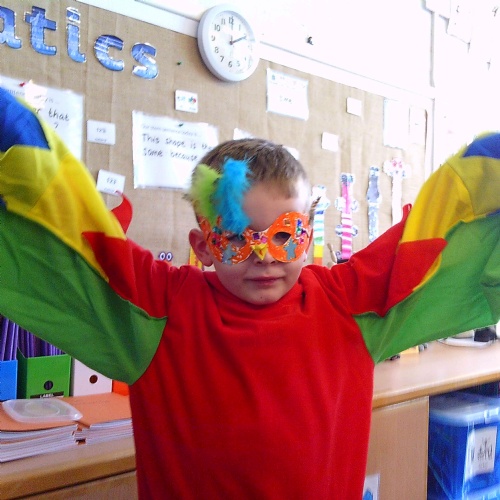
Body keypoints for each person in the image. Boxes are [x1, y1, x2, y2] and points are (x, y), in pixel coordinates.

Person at [0, 87, 499, 499]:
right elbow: (76, 231)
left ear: (308, 233)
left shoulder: (348, 305)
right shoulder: (158, 310)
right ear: (203, 245)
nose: (264, 257)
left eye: (285, 236)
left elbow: (432, 233)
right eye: (235, 238)